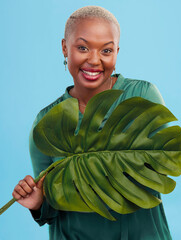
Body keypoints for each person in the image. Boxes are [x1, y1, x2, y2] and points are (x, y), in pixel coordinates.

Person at [12, 6, 172, 240]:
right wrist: (38, 203)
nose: (94, 60)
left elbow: (164, 159)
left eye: (106, 50)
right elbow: (51, 199)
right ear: (65, 48)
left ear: (117, 52)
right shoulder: (47, 123)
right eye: (83, 47)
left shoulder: (142, 96)